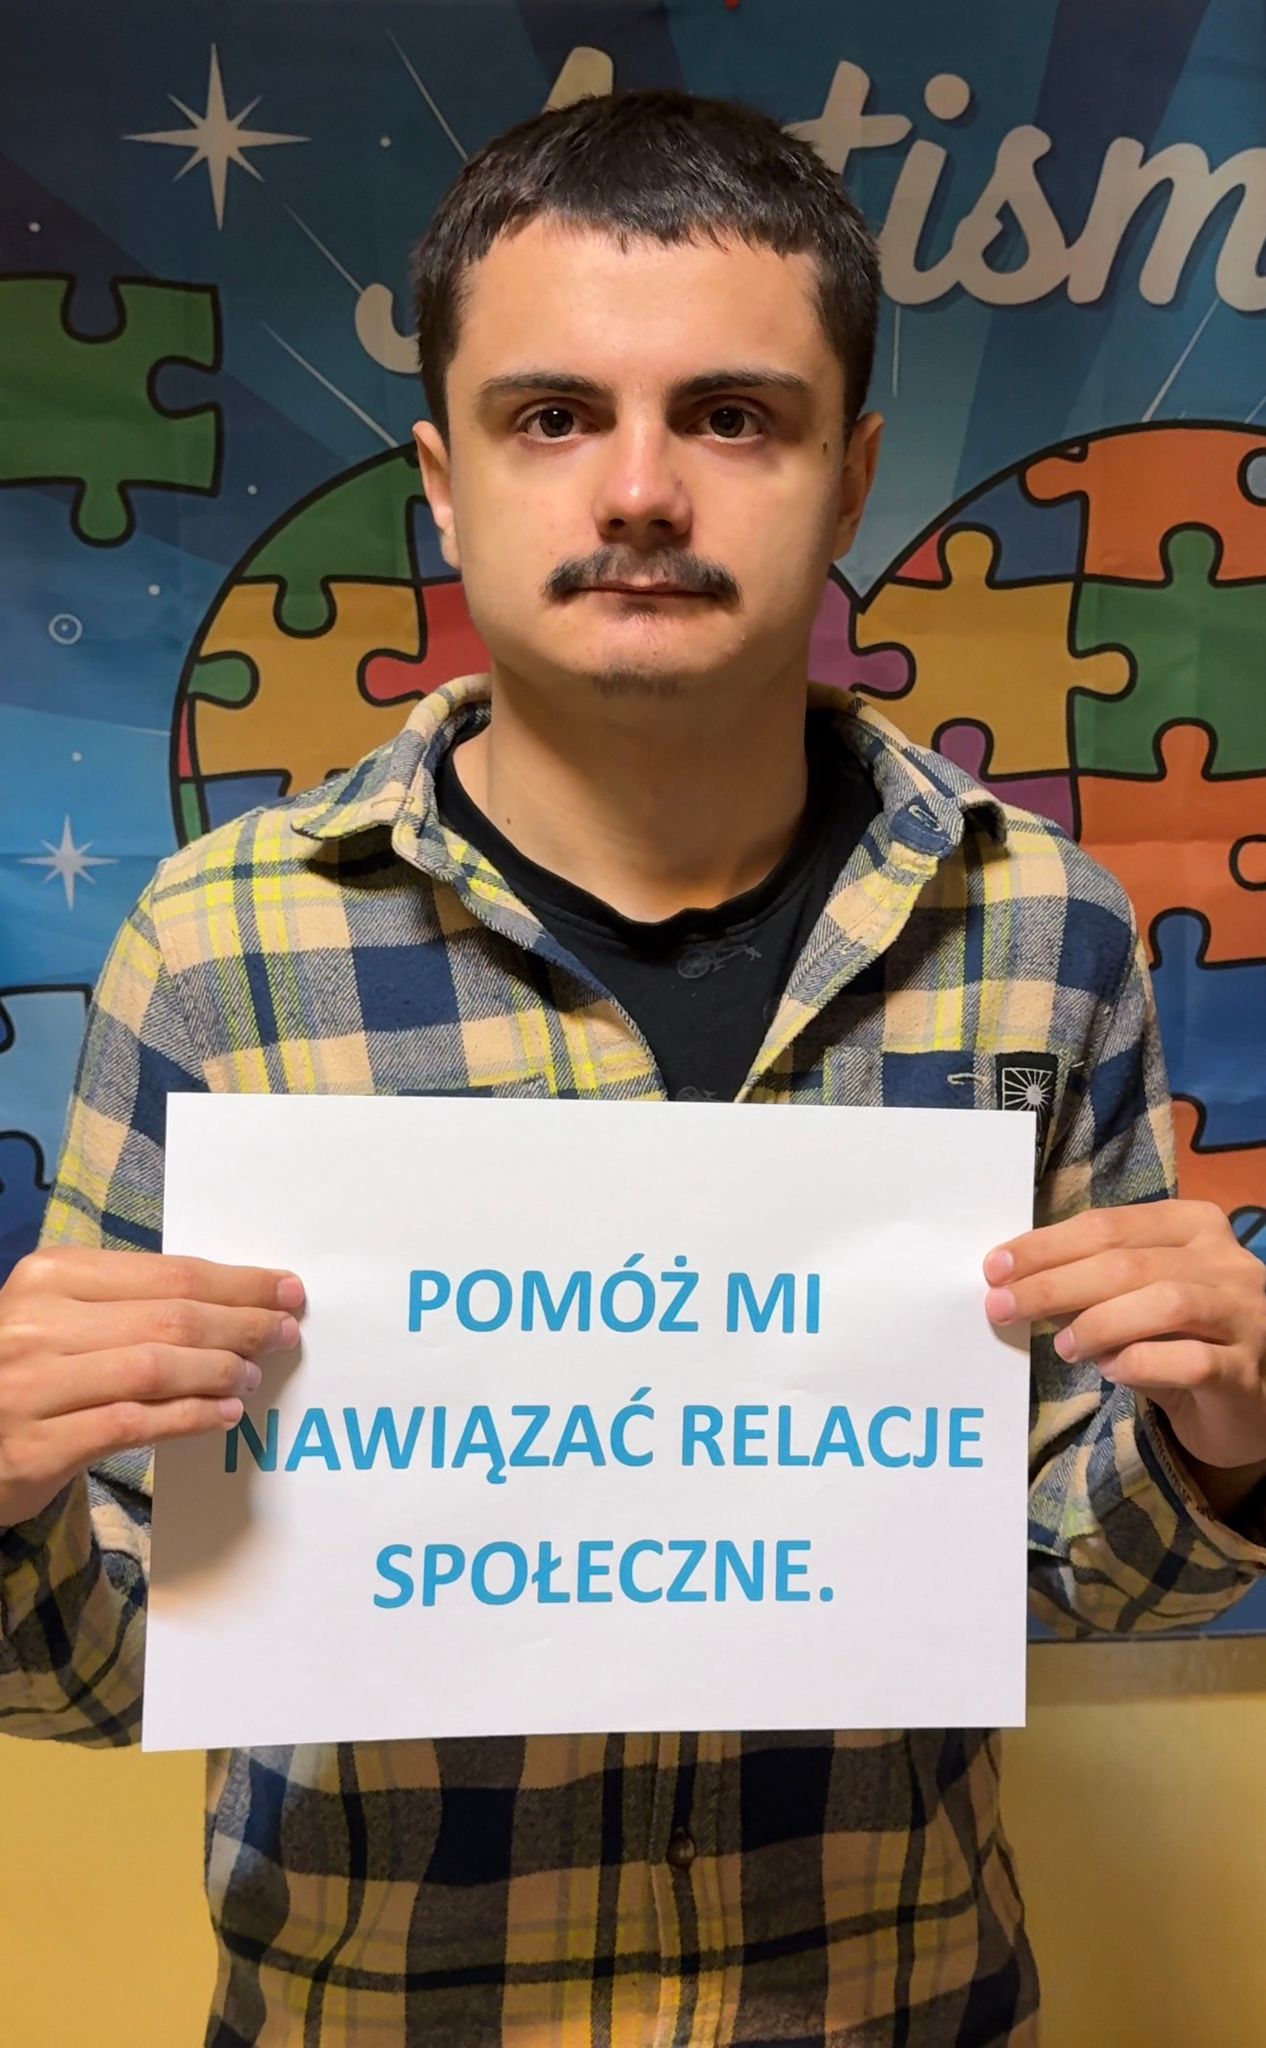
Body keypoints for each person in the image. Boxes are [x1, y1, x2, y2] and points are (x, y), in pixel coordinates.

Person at [2, 88, 1264, 2048]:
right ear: (444, 481)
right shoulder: (220, 945)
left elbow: (1062, 1576)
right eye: (553, 415)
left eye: (733, 416)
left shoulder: (1044, 928)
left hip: (904, 2007)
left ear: (849, 481)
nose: (643, 491)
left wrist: (1219, 1448)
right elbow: (102, 1665)